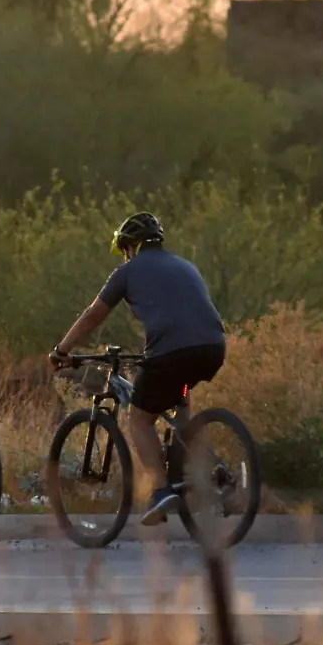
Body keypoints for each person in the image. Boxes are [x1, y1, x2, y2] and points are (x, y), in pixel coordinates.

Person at [49, 212, 228, 526]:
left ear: (131, 246)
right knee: (180, 393)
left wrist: (62, 350)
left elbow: (93, 316)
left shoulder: (128, 272)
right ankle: (190, 471)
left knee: (140, 418)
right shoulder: (186, 265)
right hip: (213, 347)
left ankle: (162, 492)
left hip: (172, 351)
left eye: (125, 250)